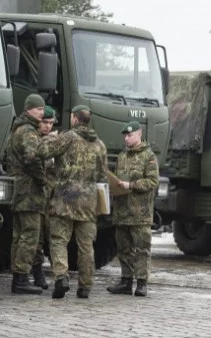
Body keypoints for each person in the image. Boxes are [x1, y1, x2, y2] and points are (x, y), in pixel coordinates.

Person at [37, 105, 108, 299]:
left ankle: (62, 277)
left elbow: (42, 151)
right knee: (86, 245)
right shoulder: (100, 145)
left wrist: (51, 137)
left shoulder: (67, 137)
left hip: (66, 197)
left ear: (75, 119)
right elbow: (103, 175)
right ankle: (85, 286)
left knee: (59, 240)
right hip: (88, 202)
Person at [107, 121, 159, 297]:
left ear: (139, 134)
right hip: (122, 212)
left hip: (140, 213)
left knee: (142, 248)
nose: (126, 138)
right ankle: (126, 280)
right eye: (125, 136)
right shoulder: (122, 156)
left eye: (130, 135)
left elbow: (152, 181)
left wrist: (131, 185)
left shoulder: (149, 156)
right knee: (123, 248)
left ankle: (142, 282)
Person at [5, 94, 47, 294]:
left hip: (18, 190)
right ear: (29, 109)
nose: (42, 112)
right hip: (30, 191)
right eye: (38, 109)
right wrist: (42, 179)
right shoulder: (29, 131)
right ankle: (21, 278)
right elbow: (33, 158)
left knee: (18, 235)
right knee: (29, 235)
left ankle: (18, 276)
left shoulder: (16, 129)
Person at [29, 105, 57, 290]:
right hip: (37, 195)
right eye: (44, 122)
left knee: (54, 237)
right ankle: (38, 274)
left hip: (53, 198)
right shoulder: (33, 141)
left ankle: (59, 275)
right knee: (36, 237)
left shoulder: (57, 141)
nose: (47, 126)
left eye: (50, 123)